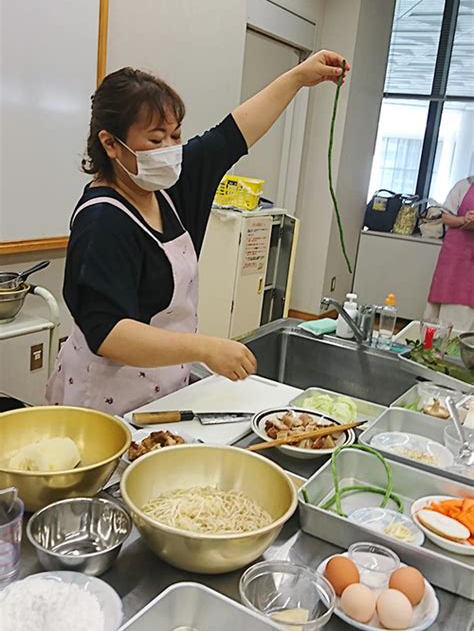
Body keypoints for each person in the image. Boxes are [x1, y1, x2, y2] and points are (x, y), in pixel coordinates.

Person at [46, 50, 350, 414]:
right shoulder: (101, 222)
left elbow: (232, 134)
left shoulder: (168, 188)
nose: (171, 151)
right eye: (156, 141)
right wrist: (205, 348)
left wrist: (298, 78)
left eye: (176, 136)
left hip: (164, 387)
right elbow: (108, 332)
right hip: (106, 400)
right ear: (110, 143)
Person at [425, 175, 474, 331]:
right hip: (456, 257)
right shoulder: (463, 186)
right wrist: (464, 220)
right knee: (448, 301)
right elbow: (446, 217)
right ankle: (438, 346)